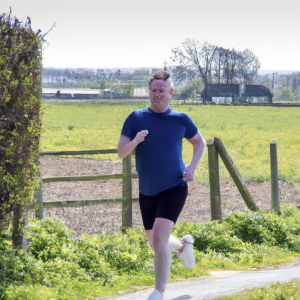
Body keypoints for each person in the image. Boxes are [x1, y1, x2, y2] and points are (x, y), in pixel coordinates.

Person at [117, 70, 206, 300]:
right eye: (154, 90)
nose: (158, 94)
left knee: (158, 238)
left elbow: (199, 142)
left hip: (174, 187)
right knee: (156, 243)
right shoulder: (135, 118)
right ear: (149, 92)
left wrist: (192, 168)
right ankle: (183, 246)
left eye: (162, 90)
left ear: (170, 93)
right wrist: (136, 140)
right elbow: (120, 153)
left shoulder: (180, 119)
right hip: (147, 190)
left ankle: (159, 292)